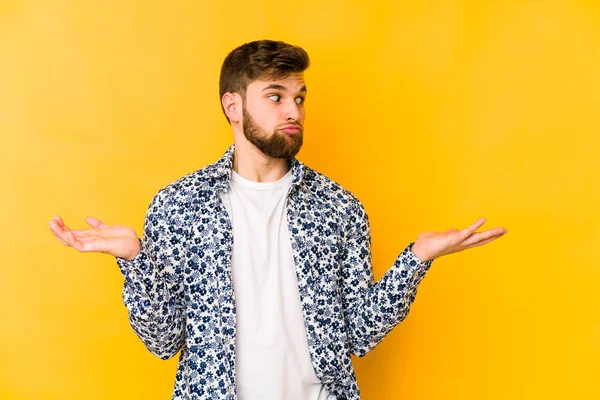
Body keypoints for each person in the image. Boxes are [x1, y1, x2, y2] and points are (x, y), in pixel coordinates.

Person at [49, 39, 507, 400]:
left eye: (300, 97)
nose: (294, 111)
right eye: (276, 96)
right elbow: (164, 341)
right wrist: (135, 260)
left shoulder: (338, 207)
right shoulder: (179, 206)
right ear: (234, 106)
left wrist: (417, 258)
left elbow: (357, 334)